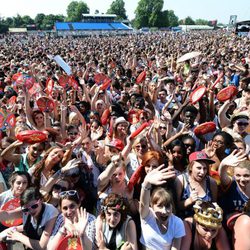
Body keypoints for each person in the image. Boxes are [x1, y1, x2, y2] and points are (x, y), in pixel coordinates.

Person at [139, 165, 184, 249]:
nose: (164, 211)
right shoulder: (147, 215)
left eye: (167, 206)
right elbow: (143, 204)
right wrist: (146, 182)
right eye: (159, 206)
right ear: (152, 206)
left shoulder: (177, 223)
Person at [175, 151, 217, 218]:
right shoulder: (181, 180)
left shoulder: (211, 182)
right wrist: (190, 200)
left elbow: (215, 205)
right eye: (199, 168)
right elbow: (175, 207)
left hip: (206, 222)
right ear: (191, 167)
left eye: (205, 168)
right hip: (186, 222)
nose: (202, 172)